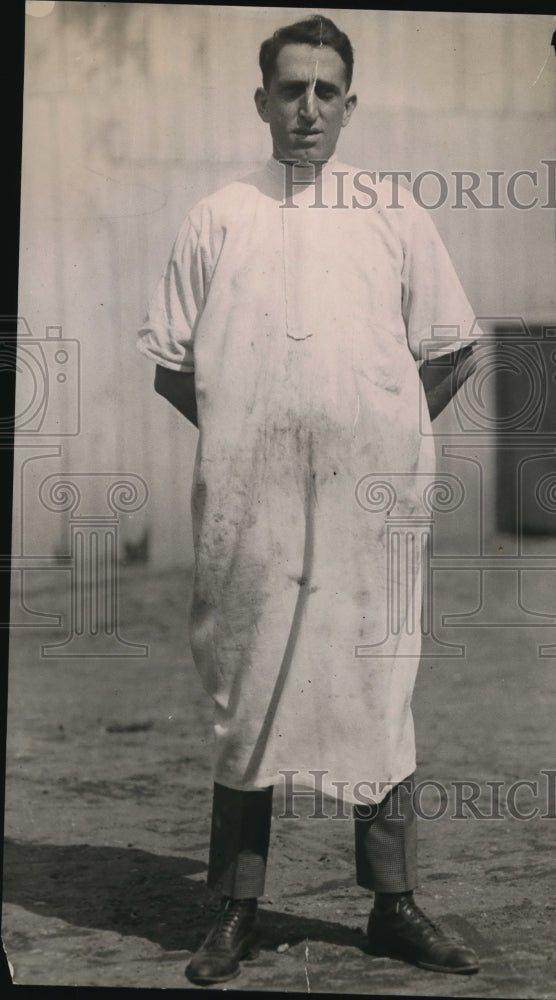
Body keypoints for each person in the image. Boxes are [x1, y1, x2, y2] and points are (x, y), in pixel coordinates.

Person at [137, 14, 482, 987]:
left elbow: (451, 346)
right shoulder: (219, 215)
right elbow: (172, 365)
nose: (308, 108)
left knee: (379, 689)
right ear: (261, 100)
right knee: (250, 694)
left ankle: (393, 903)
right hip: (255, 510)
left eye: (327, 91)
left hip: (369, 511)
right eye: (290, 89)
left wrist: (382, 439)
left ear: (350, 104)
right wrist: (252, 437)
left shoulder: (395, 211)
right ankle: (235, 911)